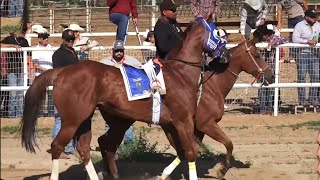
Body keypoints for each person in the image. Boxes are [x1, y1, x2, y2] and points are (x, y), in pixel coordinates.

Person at [101, 40, 141, 144]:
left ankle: (129, 145)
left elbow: (141, 72)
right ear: (112, 51)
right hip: (110, 97)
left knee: (127, 118)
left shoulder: (132, 61)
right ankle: (109, 143)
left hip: (126, 96)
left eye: (121, 51)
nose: (119, 53)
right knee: (109, 119)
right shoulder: (104, 62)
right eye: (117, 51)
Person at [51, 29, 80, 159]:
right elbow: (59, 72)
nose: (70, 42)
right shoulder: (58, 55)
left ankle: (68, 147)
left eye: (72, 39)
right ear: (63, 40)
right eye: (68, 40)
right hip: (63, 90)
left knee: (70, 119)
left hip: (73, 90)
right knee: (60, 119)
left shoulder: (72, 52)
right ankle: (57, 148)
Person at [257, 24, 288, 115]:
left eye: (271, 33)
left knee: (271, 88)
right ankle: (263, 108)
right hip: (261, 67)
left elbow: (284, 40)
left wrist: (273, 42)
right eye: (268, 33)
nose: (269, 35)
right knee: (262, 87)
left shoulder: (274, 38)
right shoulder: (259, 39)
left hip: (271, 66)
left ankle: (270, 107)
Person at [292, 9, 320, 106]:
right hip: (302, 54)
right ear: (306, 17)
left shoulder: (317, 25)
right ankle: (302, 100)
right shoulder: (299, 25)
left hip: (315, 54)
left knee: (316, 76)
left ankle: (313, 99)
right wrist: (307, 41)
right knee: (302, 77)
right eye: (312, 17)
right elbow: (294, 39)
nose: (314, 19)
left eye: (314, 17)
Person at [1, 27, 30, 117]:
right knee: (13, 93)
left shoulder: (24, 41)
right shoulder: (9, 39)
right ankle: (11, 115)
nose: (22, 32)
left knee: (20, 94)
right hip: (11, 71)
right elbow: (1, 45)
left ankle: (19, 115)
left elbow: (29, 54)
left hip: (21, 70)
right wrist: (13, 46)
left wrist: (29, 67)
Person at [32, 25, 54, 116]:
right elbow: (35, 64)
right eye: (44, 38)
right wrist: (44, 69)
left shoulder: (50, 47)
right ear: (40, 39)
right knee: (41, 94)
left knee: (51, 93)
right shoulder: (36, 49)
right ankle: (41, 112)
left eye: (47, 38)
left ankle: (51, 111)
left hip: (51, 74)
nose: (46, 39)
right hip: (40, 74)